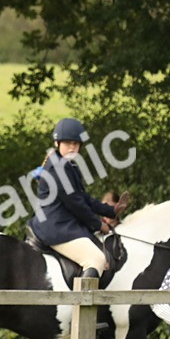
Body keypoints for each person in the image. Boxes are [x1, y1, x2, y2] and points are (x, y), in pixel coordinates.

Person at [27, 118, 126, 278]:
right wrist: (98, 224)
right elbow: (75, 203)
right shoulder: (57, 169)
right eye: (67, 143)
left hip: (65, 223)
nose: (72, 147)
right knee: (96, 260)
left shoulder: (68, 164)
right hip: (57, 227)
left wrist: (110, 210)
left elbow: (82, 197)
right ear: (57, 143)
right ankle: (83, 296)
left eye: (76, 143)